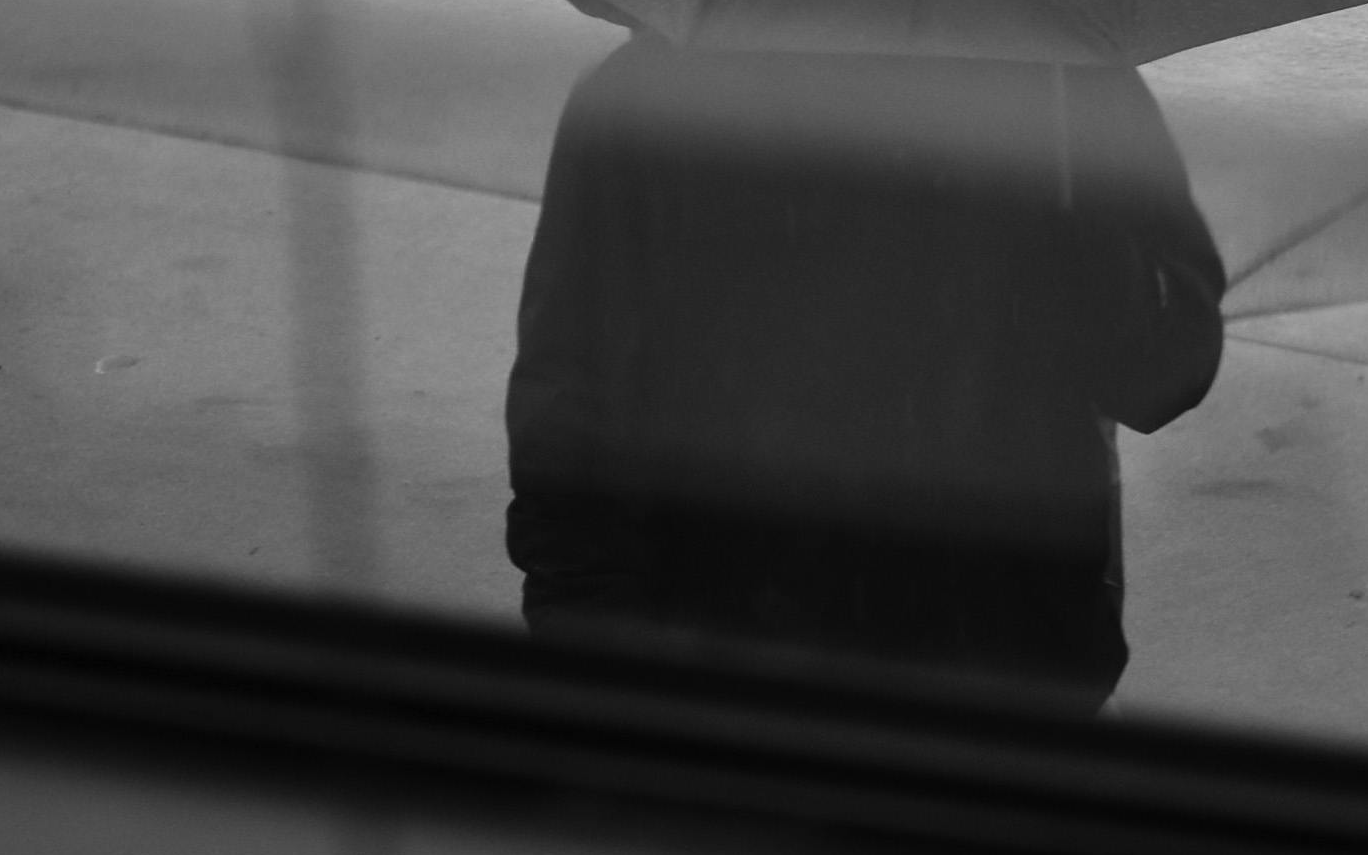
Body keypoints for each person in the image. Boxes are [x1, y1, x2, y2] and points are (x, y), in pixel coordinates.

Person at [502, 42, 1226, 707]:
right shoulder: (1062, 84)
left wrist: (585, 624)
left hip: (781, 633)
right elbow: (1160, 370)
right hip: (969, 643)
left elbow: (571, 388)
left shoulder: (648, 93)